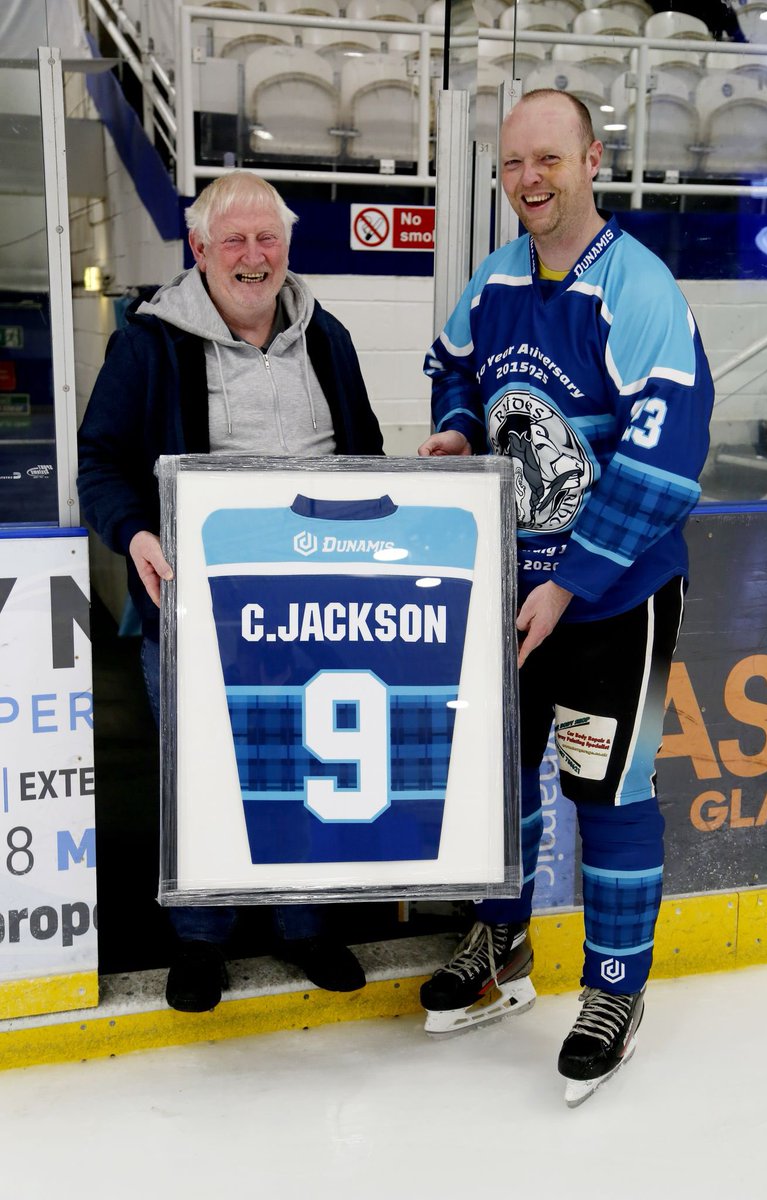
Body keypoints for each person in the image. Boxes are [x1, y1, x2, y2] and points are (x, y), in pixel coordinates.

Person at [417, 90, 714, 1105]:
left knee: (605, 795)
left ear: (590, 159)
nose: (526, 180)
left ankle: (613, 990)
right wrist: (456, 428)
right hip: (508, 592)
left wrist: (571, 582)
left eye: (545, 159)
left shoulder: (637, 289)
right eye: (510, 165)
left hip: (609, 602)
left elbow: (665, 463)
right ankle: (499, 950)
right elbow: (450, 364)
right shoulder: (495, 279)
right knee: (496, 787)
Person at [78, 171, 384, 1013]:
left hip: (321, 611)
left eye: (269, 240)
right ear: (202, 250)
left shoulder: (332, 339)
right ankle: (201, 942)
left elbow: (365, 455)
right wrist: (135, 533)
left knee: (308, 765)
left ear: (287, 247)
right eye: (236, 242)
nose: (255, 258)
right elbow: (100, 464)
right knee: (204, 774)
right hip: (196, 610)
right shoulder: (150, 343)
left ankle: (306, 927)